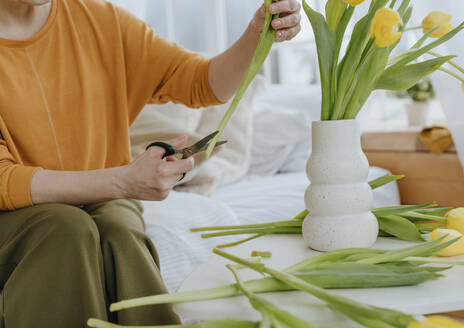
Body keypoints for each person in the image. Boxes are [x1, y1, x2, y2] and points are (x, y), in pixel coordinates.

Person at [0, 0, 301, 326]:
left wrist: (255, 34)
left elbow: (200, 82)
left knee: (120, 234)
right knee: (64, 228)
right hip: (14, 213)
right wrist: (122, 180)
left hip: (102, 199)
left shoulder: (99, 20)